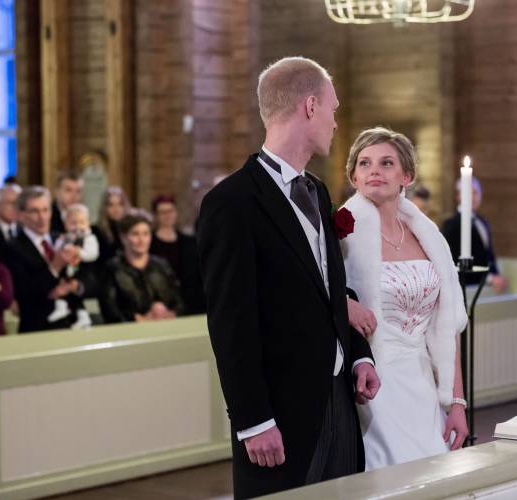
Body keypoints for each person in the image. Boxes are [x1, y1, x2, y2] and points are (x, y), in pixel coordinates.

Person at [197, 57, 380, 499]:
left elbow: (329, 288)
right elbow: (230, 323)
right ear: (310, 106)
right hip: (279, 414)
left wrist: (359, 356)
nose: (335, 122)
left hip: (338, 401)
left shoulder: (317, 190)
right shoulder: (232, 202)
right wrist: (253, 421)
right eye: (333, 109)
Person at [340, 127, 469, 469]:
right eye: (364, 163)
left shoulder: (428, 238)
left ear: (406, 176)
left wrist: (456, 402)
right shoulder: (342, 235)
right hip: (372, 382)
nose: (374, 171)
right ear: (354, 177)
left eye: (386, 163)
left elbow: (448, 326)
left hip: (423, 383)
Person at [5, 186, 81, 333]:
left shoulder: (62, 239)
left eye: (46, 210)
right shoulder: (12, 248)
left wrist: (76, 285)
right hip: (38, 329)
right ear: (21, 215)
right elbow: (25, 294)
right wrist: (55, 267)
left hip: (72, 325)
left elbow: (91, 277)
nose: (42, 217)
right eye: (35, 211)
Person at [99, 212, 182, 323]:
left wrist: (170, 313)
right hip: (128, 329)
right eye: (135, 234)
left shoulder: (161, 266)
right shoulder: (112, 269)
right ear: (123, 237)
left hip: (167, 325)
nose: (141, 240)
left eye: (146, 234)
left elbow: (179, 300)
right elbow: (109, 309)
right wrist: (136, 319)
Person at [442, 176, 508, 293]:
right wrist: (490, 279)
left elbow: (489, 257)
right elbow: (452, 262)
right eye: (468, 193)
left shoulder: (483, 223)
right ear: (458, 196)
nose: (472, 197)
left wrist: (496, 276)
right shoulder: (451, 225)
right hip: (466, 290)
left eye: (475, 193)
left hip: (489, 289)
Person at [150, 195, 206, 315]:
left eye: (170, 211)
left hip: (190, 302)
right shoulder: (149, 244)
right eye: (163, 212)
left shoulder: (190, 242)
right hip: (162, 303)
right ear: (155, 215)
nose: (167, 215)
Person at [49, 204, 100, 329]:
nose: (77, 226)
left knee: (77, 295)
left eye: (81, 222)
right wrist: (61, 244)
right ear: (66, 224)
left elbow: (93, 254)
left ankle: (83, 317)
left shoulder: (89, 238)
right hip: (66, 271)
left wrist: (79, 252)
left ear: (88, 223)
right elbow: (56, 251)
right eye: (73, 223)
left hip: (81, 272)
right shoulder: (65, 237)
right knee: (62, 289)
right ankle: (61, 307)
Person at [96, 186, 131, 262]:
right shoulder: (97, 231)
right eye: (111, 205)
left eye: (120, 204)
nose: (116, 209)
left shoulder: (131, 229)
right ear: (105, 208)